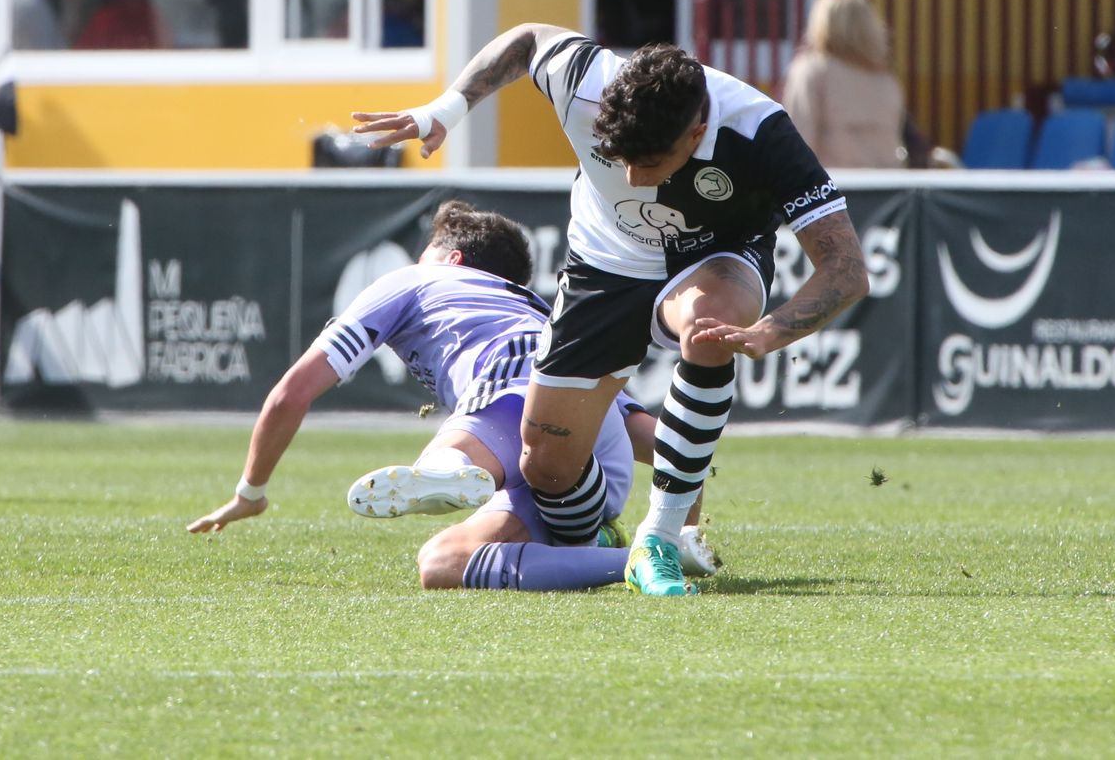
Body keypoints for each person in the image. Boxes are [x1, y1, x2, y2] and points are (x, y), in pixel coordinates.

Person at [354, 27, 869, 596]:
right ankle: (596, 541)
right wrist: (445, 109)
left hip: (715, 257)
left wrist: (774, 328)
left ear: (698, 131)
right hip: (604, 262)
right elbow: (526, 41)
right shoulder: (585, 80)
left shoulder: (760, 131)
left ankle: (661, 540)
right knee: (545, 466)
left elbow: (845, 269)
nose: (632, 178)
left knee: (706, 332)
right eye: (618, 155)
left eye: (649, 161)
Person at [187, 201, 718, 591]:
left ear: (452, 258)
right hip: (597, 459)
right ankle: (639, 553)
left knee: (467, 448)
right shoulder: (534, 307)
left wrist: (250, 491)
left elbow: (291, 393)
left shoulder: (415, 280)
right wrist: (682, 523)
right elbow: (666, 444)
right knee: (440, 563)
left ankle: (450, 465)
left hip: (517, 404)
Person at [781, 0, 907, 169]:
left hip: (834, 189)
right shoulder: (886, 79)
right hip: (885, 189)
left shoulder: (812, 71)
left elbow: (797, 143)